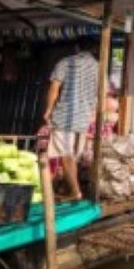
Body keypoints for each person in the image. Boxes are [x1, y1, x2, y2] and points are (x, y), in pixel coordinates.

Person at [41, 37, 100, 202]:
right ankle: (73, 190)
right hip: (84, 118)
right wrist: (93, 113)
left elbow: (54, 88)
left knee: (66, 155)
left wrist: (49, 109)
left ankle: (75, 192)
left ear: (77, 47)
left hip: (65, 116)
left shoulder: (65, 62)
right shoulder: (98, 67)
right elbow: (100, 93)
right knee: (72, 156)